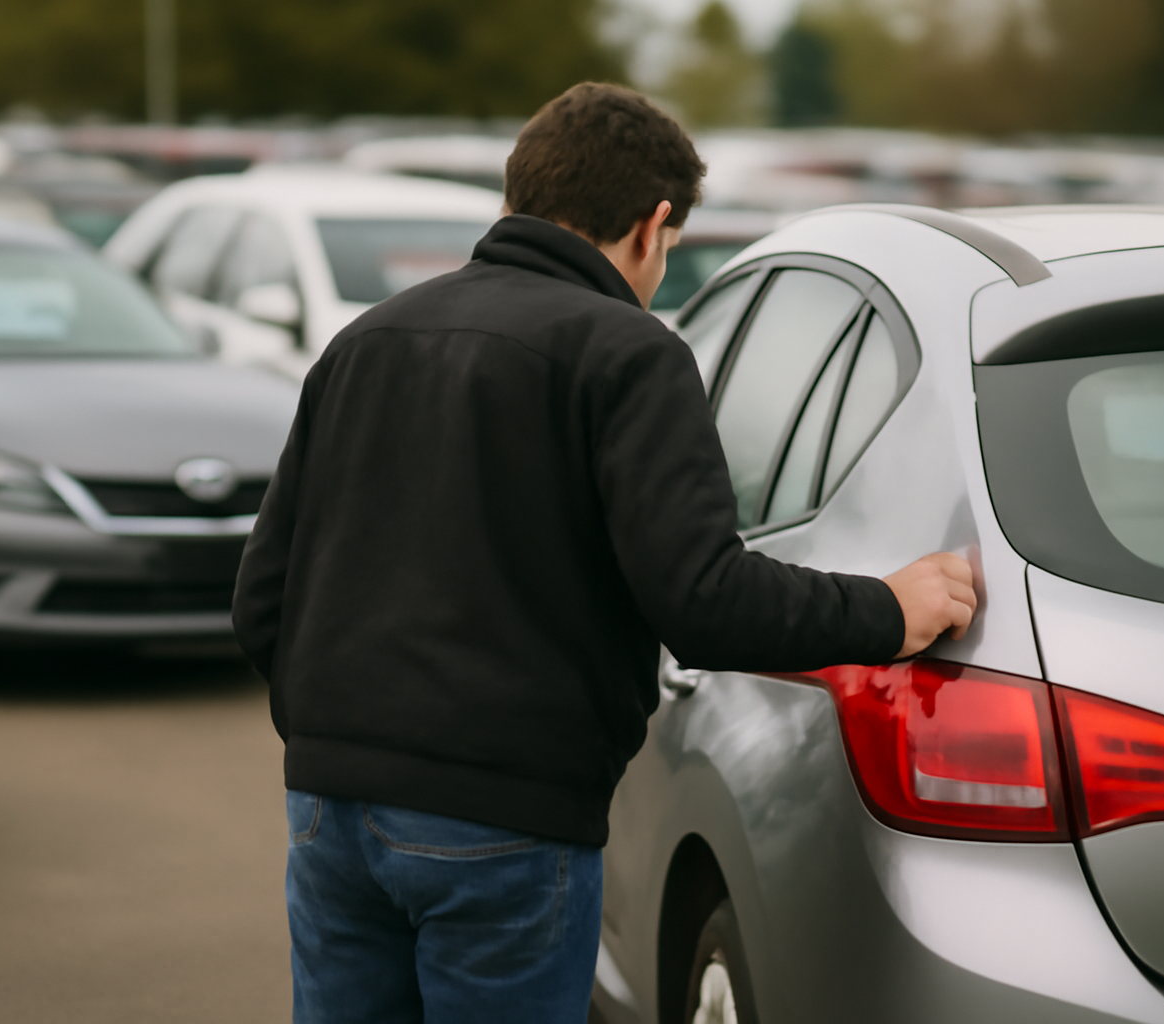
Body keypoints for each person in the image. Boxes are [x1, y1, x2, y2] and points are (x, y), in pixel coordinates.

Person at [232, 82, 976, 1024]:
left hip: (328, 814)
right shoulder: (630, 353)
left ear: (519, 195)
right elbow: (701, 600)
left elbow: (262, 600)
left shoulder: (363, 343)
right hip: (505, 828)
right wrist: (888, 608)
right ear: (652, 226)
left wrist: (336, 735)